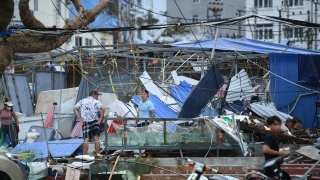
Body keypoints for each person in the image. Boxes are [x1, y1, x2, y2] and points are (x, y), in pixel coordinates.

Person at [73, 89, 105, 155]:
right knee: (96, 138)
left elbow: (74, 109)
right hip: (95, 121)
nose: (97, 97)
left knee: (86, 139)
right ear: (93, 94)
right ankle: (98, 154)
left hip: (85, 122)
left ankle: (84, 155)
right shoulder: (96, 101)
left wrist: (80, 118)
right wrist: (100, 119)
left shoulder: (82, 101)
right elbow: (103, 108)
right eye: (97, 95)